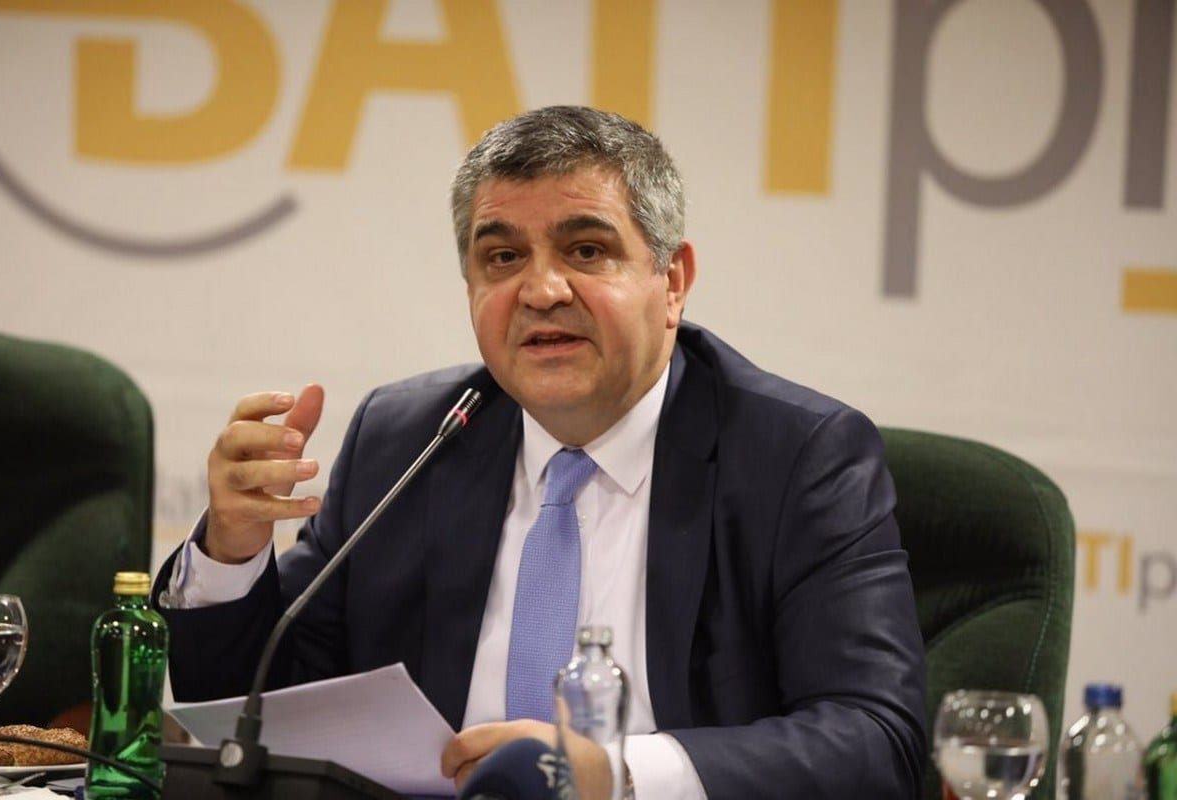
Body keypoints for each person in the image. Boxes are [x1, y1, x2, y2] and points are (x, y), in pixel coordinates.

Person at [154, 105, 926, 798]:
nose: (541, 290)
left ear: (672, 282)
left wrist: (615, 774)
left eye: (586, 250)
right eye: (502, 258)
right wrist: (232, 552)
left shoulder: (796, 457)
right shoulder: (409, 440)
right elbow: (261, 713)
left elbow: (874, 741)